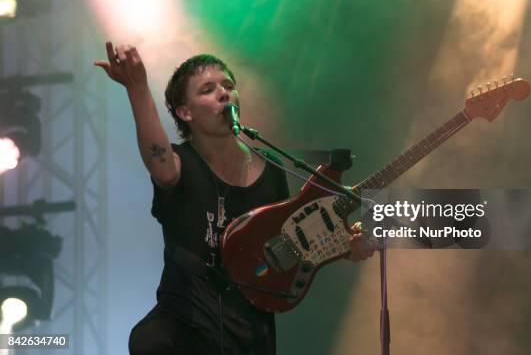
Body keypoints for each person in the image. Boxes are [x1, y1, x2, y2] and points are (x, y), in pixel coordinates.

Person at [95, 42, 374, 355]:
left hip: (250, 334)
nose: (224, 93)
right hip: (183, 326)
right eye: (208, 89)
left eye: (229, 85)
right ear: (185, 112)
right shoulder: (179, 164)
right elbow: (158, 159)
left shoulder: (272, 168)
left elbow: (287, 250)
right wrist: (137, 86)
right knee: (149, 341)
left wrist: (341, 247)